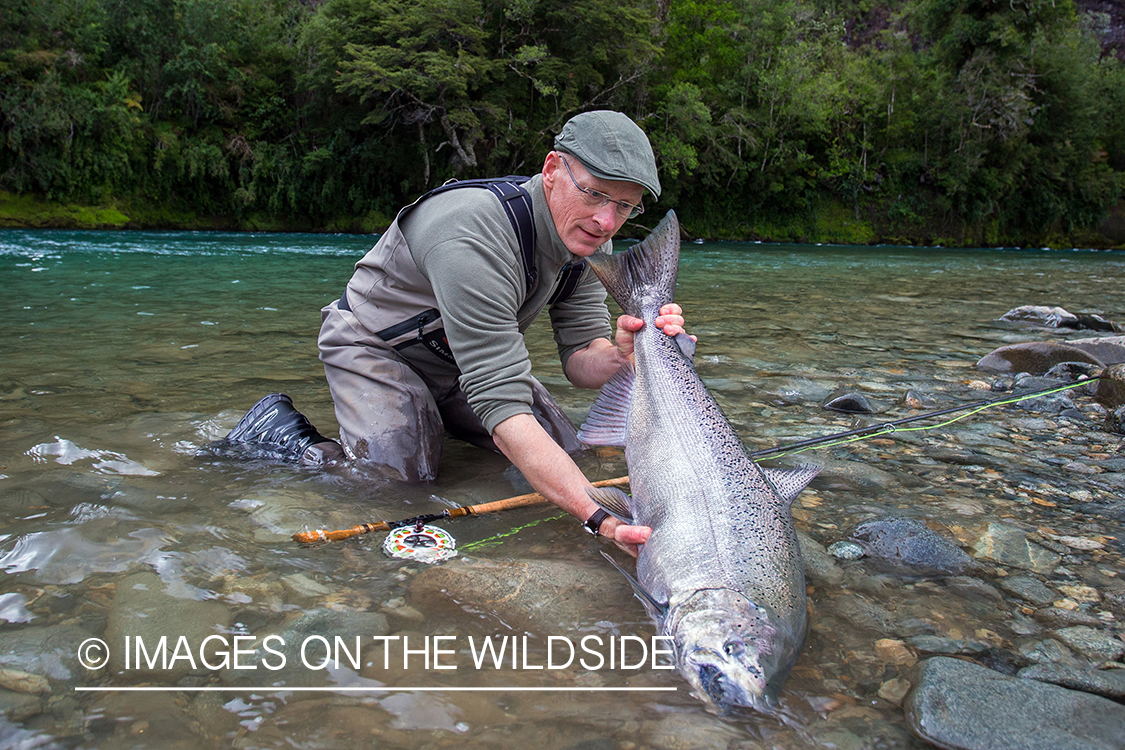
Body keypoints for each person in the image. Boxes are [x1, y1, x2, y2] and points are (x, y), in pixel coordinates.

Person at [225, 110, 687, 555]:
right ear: (551, 169)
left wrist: (622, 356)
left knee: (569, 450)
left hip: (458, 364)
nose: (607, 221)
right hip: (373, 347)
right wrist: (597, 517)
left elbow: (581, 356)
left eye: (624, 206)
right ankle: (283, 440)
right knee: (398, 483)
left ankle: (431, 418)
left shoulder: (589, 239)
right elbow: (501, 406)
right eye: (593, 193)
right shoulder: (472, 234)